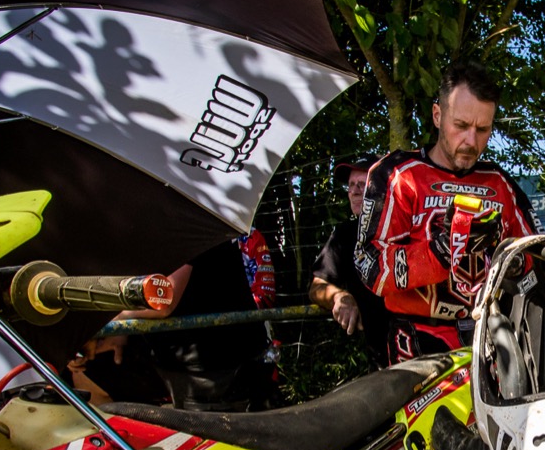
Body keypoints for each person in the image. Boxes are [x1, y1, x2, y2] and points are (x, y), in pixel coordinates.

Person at [356, 60, 537, 364]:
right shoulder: (398, 175)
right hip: (417, 338)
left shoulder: (499, 183)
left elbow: (537, 261)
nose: (471, 141)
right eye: (461, 126)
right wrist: (440, 252)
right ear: (437, 115)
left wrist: (511, 260)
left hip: (488, 338)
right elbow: (369, 265)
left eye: (483, 129)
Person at [77, 229, 281, 411]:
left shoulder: (182, 221)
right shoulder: (147, 222)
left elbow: (164, 297)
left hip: (220, 371)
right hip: (186, 368)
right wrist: (114, 332)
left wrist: (117, 319)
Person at [310, 155, 391, 369]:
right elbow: (317, 286)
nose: (354, 191)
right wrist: (339, 297)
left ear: (383, 189)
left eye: (362, 184)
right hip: (381, 360)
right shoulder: (344, 235)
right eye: (351, 185)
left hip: (428, 347)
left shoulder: (407, 226)